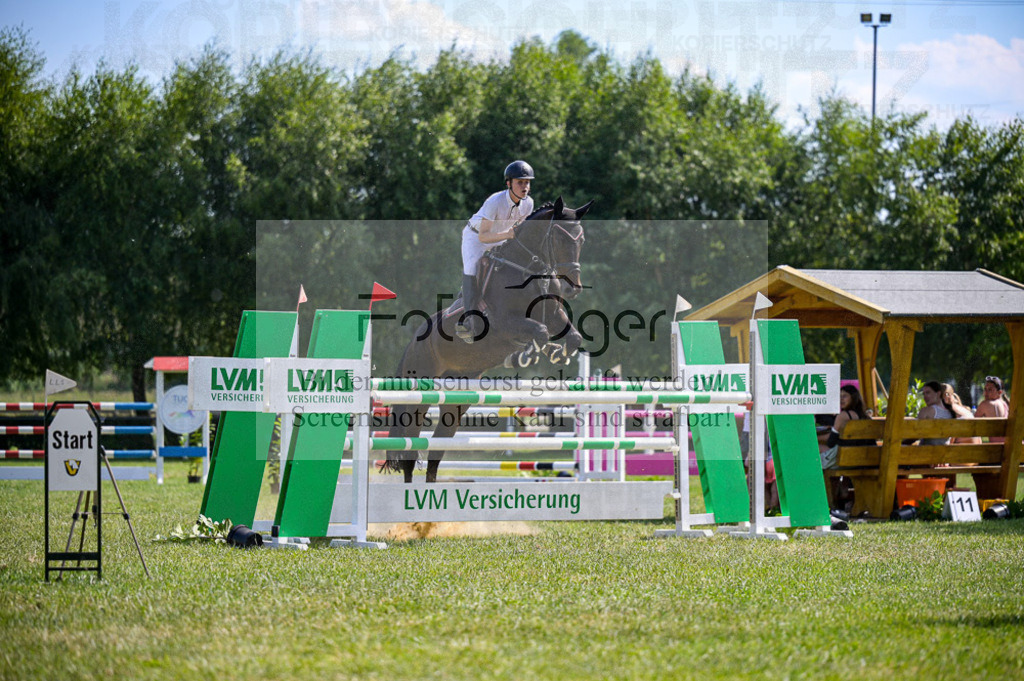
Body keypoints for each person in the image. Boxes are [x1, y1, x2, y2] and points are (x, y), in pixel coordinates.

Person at [455, 160, 536, 341]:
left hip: (501, 238)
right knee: (471, 269)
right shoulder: (495, 201)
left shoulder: (529, 203)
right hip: (475, 238)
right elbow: (484, 237)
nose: (524, 187)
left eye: (527, 182)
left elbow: (518, 232)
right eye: (520, 182)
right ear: (509, 183)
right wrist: (508, 235)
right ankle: (468, 320)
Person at [821, 385, 874, 469]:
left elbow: (831, 442)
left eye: (844, 396)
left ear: (853, 398)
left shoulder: (843, 416)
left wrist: (814, 438)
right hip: (865, 459)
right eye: (839, 396)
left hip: (845, 460)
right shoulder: (866, 417)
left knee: (813, 450)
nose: (841, 399)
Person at [917, 381, 953, 445]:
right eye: (924, 394)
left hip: (925, 453)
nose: (925, 397)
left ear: (938, 394)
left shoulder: (926, 411)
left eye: (928, 393)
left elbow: (914, 434)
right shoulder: (950, 412)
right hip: (944, 452)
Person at [976, 376, 1008, 444]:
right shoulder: (1006, 404)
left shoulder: (986, 404)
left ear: (999, 392)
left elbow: (971, 426)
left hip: (1000, 450)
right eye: (985, 389)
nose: (985, 393)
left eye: (990, 390)